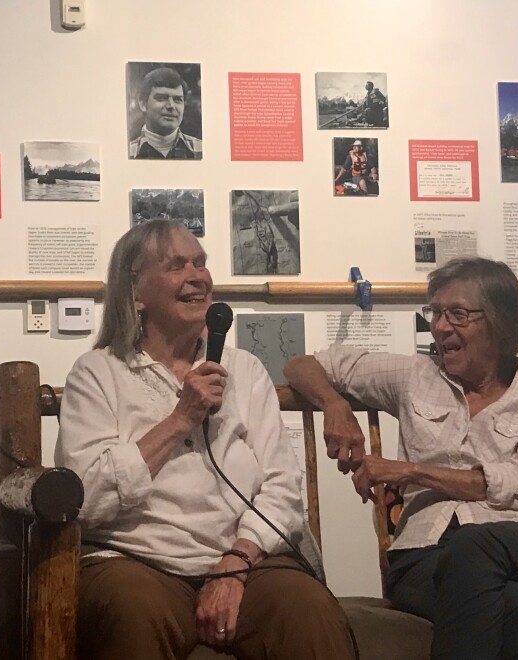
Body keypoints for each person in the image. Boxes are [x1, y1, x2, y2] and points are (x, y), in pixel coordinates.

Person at [56, 220, 354, 659]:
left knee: (307, 610)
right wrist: (181, 419)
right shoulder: (97, 373)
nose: (198, 276)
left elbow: (282, 485)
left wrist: (237, 561)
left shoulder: (246, 369)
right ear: (135, 293)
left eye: (201, 263)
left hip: (245, 561)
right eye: (176, 266)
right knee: (129, 609)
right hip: (136, 562)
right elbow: (85, 498)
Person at [284, 257, 518, 660]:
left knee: (475, 544)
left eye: (457, 314)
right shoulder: (414, 377)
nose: (440, 327)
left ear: (501, 322)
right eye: (436, 313)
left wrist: (408, 470)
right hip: (426, 556)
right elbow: (303, 365)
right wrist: (335, 404)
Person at [129, 67, 202, 160]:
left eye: (178, 100)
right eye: (162, 98)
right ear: (143, 104)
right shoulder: (126, 153)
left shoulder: (203, 151)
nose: (171, 106)